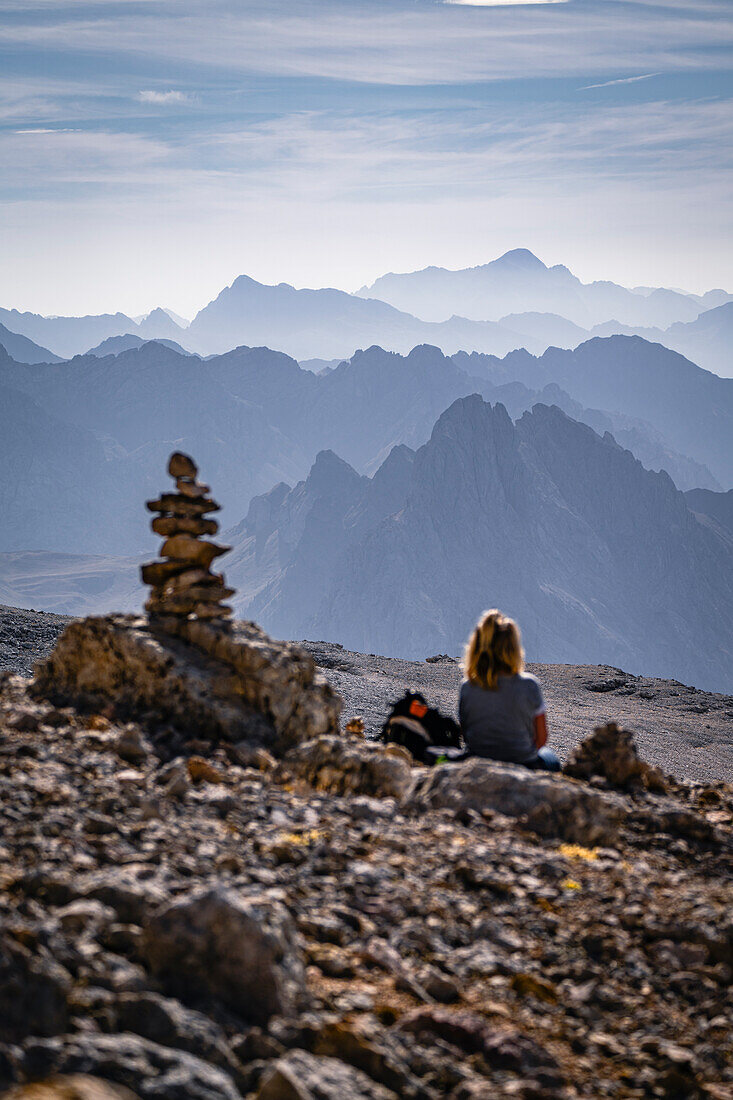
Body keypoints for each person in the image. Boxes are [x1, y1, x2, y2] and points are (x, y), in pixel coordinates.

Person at [459, 609, 560, 771]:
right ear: (513, 648)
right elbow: (541, 739)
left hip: (479, 761)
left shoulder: (467, 687)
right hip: (523, 762)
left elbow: (466, 733)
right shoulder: (529, 685)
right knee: (550, 757)